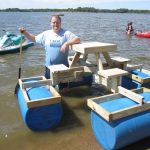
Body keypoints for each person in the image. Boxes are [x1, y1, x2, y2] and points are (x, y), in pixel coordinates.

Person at [19, 15, 80, 79]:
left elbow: (77, 39)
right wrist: (24, 32)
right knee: (49, 87)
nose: (55, 24)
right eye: (53, 22)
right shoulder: (46, 34)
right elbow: (34, 38)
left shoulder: (66, 33)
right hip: (49, 68)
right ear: (51, 23)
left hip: (63, 67)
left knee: (63, 88)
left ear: (60, 23)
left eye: (57, 22)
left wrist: (66, 44)